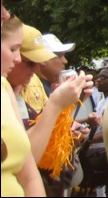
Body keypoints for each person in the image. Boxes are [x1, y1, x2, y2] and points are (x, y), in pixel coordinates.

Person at [1, 15, 46, 196]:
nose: (18, 59)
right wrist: (57, 105)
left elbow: (28, 171)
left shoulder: (4, 88)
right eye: (13, 49)